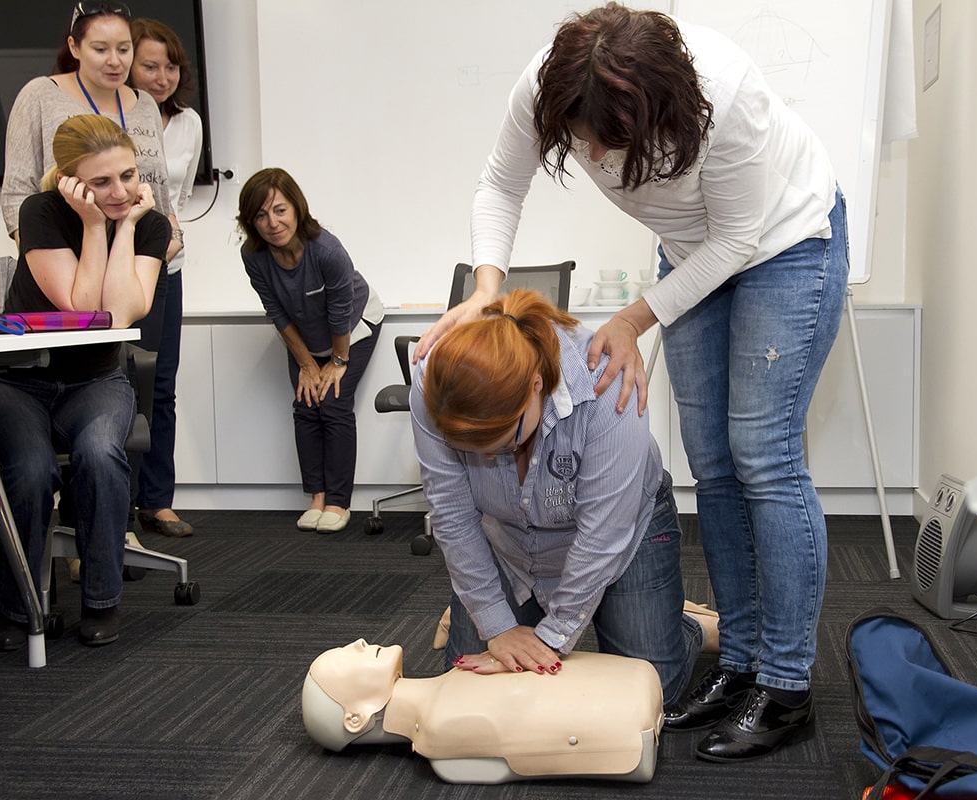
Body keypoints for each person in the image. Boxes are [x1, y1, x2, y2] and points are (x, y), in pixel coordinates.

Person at [415, 4, 849, 761]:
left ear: (662, 107)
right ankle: (740, 662)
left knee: (762, 454)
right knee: (712, 464)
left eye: (608, 140)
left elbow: (741, 238)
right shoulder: (549, 85)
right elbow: (499, 187)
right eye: (579, 138)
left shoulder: (727, 95)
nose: (593, 154)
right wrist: (485, 289)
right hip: (692, 249)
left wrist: (633, 318)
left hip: (782, 241)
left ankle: (785, 685)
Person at [411, 289, 702, 707]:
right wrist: (495, 624)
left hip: (619, 532)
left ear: (536, 385)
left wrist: (550, 639)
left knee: (658, 694)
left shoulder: (606, 382)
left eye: (502, 443)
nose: (489, 458)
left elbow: (602, 537)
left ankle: (685, 626)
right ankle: (498, 608)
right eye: (472, 451)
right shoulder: (432, 383)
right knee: (472, 696)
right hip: (509, 541)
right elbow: (452, 514)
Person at [0, 114, 168, 650]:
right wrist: (91, 224)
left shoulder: (149, 223)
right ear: (70, 180)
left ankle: (101, 601)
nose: (120, 191)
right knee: (33, 471)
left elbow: (123, 311)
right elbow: (84, 308)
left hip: (96, 381)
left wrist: (125, 225)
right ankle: (19, 607)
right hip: (16, 382)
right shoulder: (42, 213)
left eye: (128, 176)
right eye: (101, 182)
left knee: (101, 454)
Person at [237, 168, 383, 533]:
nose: (272, 223)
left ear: (297, 208)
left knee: (332, 402)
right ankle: (316, 498)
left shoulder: (327, 250)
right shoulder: (253, 256)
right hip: (304, 333)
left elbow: (340, 311)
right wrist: (305, 362)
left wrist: (336, 362)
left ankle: (338, 502)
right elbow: (276, 310)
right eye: (260, 215)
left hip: (353, 327)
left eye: (280, 210)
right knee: (305, 404)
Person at [302, 639, 663, 784]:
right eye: (347, 658)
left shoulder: (452, 685)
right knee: (671, 680)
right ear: (356, 718)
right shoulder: (441, 730)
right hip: (630, 719)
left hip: (630, 693)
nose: (359, 643)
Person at [1, 1, 177, 255]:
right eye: (100, 49)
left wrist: (174, 239)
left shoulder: (146, 104)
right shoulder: (40, 95)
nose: (115, 61)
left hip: (149, 260)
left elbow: (158, 188)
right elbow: (17, 193)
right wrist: (43, 258)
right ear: (74, 47)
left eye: (124, 49)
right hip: (70, 263)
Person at [126, 17, 205, 539]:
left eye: (170, 66)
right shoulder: (121, 116)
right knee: (120, 386)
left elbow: (178, 198)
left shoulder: (190, 123)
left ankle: (157, 500)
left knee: (161, 385)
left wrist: (174, 243)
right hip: (116, 268)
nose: (161, 76)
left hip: (167, 264)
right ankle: (117, 504)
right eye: (150, 66)